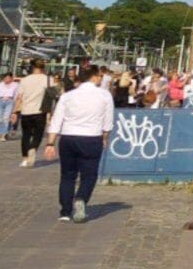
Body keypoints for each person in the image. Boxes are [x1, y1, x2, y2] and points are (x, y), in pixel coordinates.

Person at [48, 61, 116, 222]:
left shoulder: (68, 96)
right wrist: (105, 138)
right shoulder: (104, 95)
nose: (101, 79)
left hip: (68, 137)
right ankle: (81, 198)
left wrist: (50, 143)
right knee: (89, 174)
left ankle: (65, 211)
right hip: (92, 137)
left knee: (67, 175)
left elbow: (57, 120)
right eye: (99, 76)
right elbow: (108, 122)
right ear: (94, 77)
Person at [12, 63, 53, 167]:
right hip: (40, 111)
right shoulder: (48, 79)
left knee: (26, 135)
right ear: (43, 68)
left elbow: (19, 97)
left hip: (26, 111)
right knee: (38, 135)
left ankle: (25, 159)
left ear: (32, 67)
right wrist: (50, 114)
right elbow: (51, 97)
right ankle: (33, 148)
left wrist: (14, 112)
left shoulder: (25, 80)